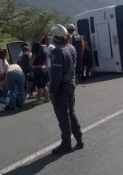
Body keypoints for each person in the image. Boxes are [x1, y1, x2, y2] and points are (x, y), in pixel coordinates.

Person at [49, 24, 83, 155]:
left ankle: (66, 144)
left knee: (63, 117)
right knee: (71, 113)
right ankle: (79, 139)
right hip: (71, 85)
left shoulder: (57, 51)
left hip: (61, 88)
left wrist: (52, 91)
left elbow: (56, 75)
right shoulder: (71, 47)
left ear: (55, 37)